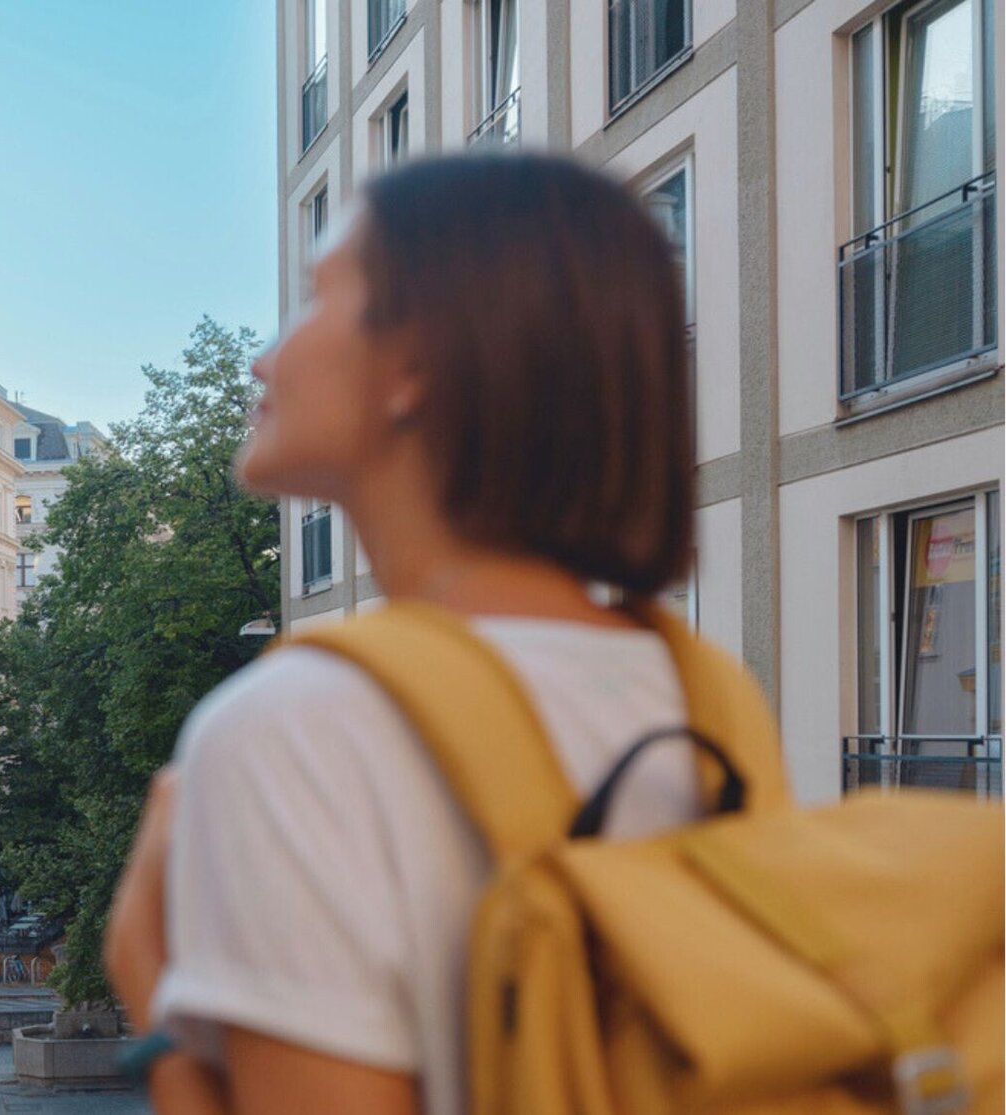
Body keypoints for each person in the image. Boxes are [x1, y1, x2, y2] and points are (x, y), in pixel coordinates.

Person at [105, 155, 703, 1115]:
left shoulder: (302, 729)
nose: (264, 360)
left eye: (315, 299)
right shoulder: (701, 694)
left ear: (413, 366)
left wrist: (150, 989)